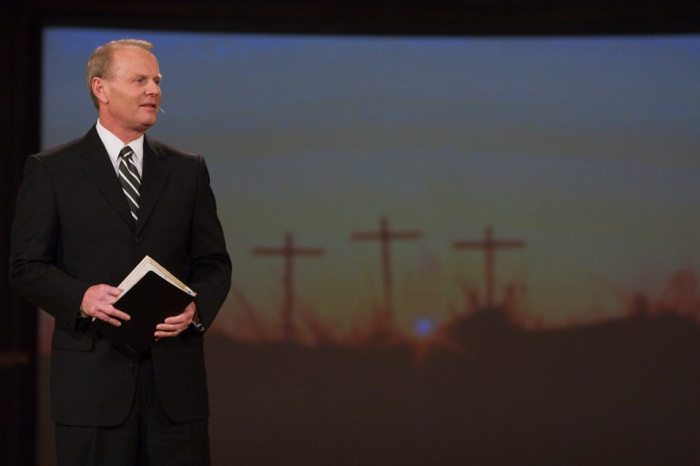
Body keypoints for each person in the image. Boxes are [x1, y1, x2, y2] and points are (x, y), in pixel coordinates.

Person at [9, 39, 231, 465]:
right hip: (92, 390)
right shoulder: (53, 170)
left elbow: (214, 263)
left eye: (157, 81)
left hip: (174, 392)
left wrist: (196, 308)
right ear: (101, 88)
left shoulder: (187, 170)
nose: (154, 90)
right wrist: (82, 297)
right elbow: (26, 267)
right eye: (140, 80)